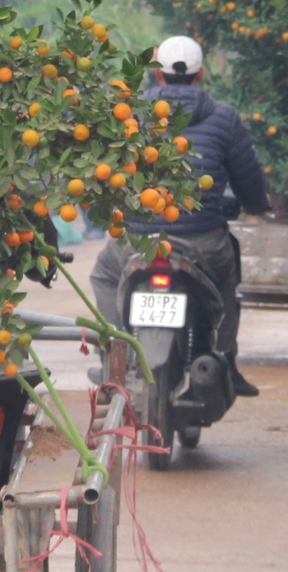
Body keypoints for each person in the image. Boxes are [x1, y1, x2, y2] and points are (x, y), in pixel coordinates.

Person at [91, 35, 272, 398]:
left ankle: (114, 356)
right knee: (226, 283)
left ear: (157, 74)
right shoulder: (224, 119)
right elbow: (249, 181)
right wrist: (255, 205)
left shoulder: (129, 113)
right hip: (202, 241)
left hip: (137, 238)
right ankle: (225, 359)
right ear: (200, 74)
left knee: (106, 274)